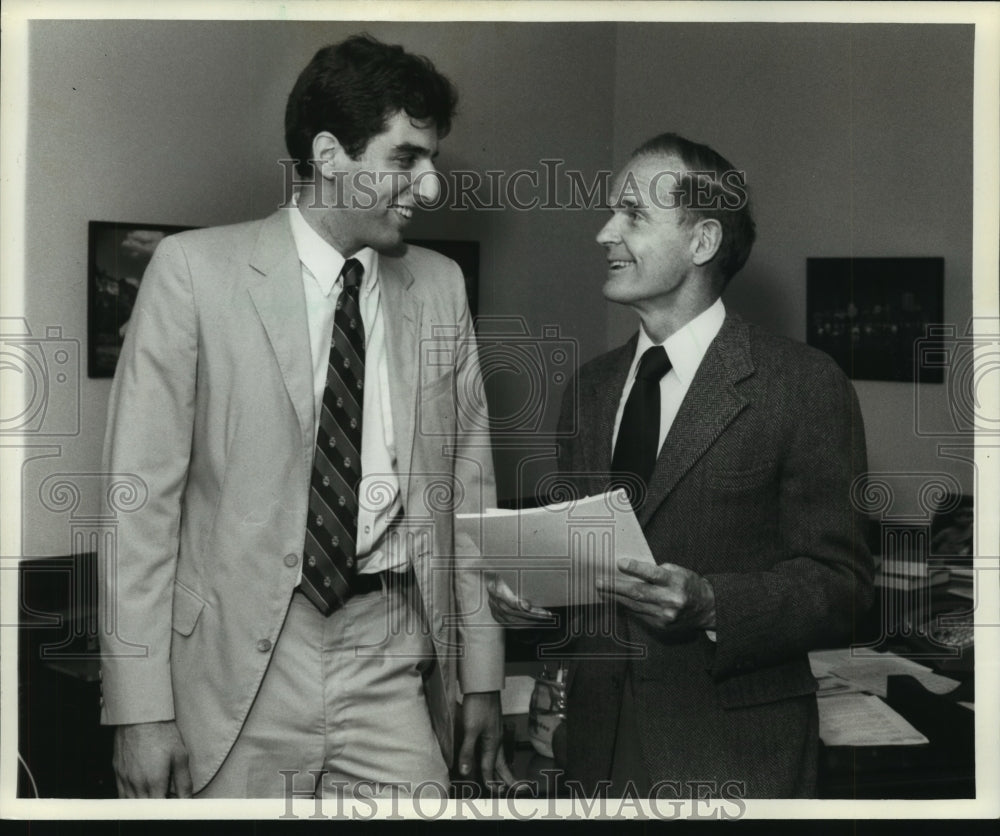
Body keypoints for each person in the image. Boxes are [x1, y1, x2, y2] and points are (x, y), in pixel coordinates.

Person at [99, 34, 510, 799]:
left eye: (433, 164)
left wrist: (482, 675)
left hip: (392, 648)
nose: (428, 190)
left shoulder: (441, 287)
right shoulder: (192, 273)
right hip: (235, 661)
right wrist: (139, 712)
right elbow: (139, 509)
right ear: (328, 154)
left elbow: (467, 491)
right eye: (405, 160)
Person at [489, 133, 874, 798]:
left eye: (633, 215)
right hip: (593, 755)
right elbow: (589, 577)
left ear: (701, 243)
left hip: (733, 762)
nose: (605, 232)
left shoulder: (803, 384)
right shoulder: (589, 388)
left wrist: (712, 603)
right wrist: (530, 599)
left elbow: (842, 589)